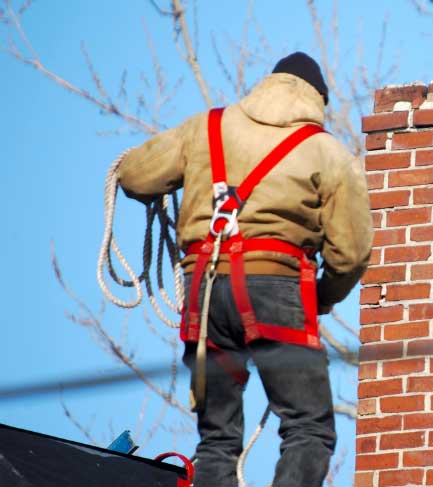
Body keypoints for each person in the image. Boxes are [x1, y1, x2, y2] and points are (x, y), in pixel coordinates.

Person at [117, 52, 373, 487]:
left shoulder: (206, 128)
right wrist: (323, 297)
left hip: (204, 288)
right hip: (276, 288)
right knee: (308, 426)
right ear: (317, 100)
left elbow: (134, 177)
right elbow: (350, 254)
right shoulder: (326, 151)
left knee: (217, 439)